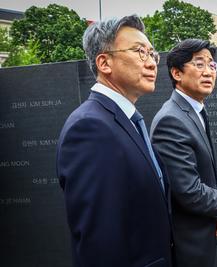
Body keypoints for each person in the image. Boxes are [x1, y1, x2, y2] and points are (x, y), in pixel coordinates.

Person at [56, 15, 172, 267]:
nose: (151, 62)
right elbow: (99, 241)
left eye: (152, 54)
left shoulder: (126, 120)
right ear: (104, 63)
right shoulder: (90, 128)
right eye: (139, 51)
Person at [150, 39, 217, 267]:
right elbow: (188, 190)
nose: (208, 72)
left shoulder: (196, 110)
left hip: (203, 234)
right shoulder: (171, 120)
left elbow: (211, 168)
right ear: (177, 73)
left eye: (212, 65)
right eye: (199, 64)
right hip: (186, 246)